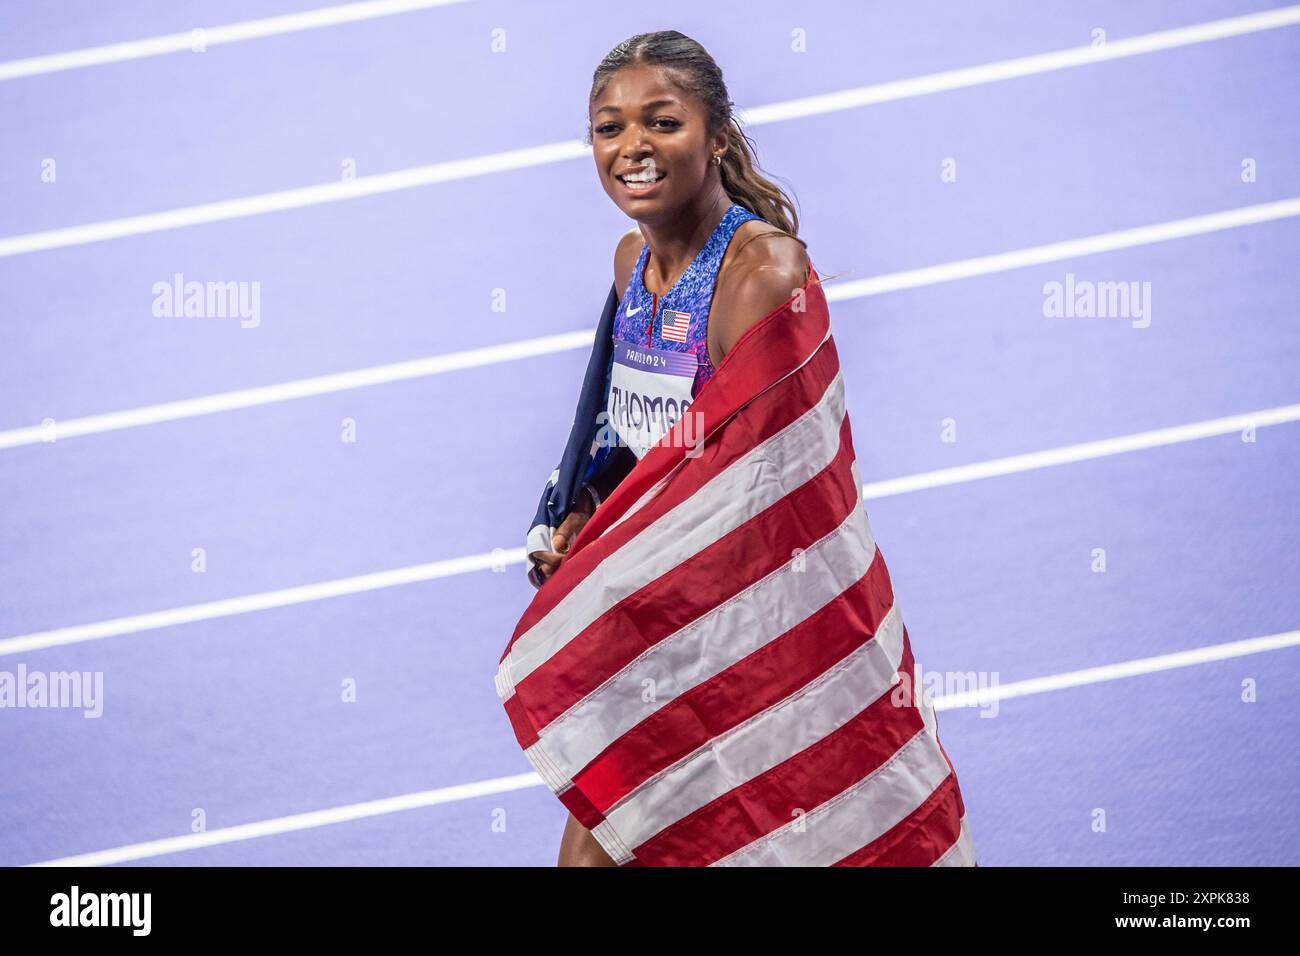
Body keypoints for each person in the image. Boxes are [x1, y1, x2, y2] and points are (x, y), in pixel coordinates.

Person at [525, 30, 814, 866]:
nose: (631, 149)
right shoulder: (632, 266)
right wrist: (582, 511)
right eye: (608, 128)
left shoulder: (759, 276)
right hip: (658, 620)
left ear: (716, 134)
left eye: (661, 122)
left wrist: (617, 554)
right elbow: (626, 432)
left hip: (742, 630)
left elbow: (762, 481)